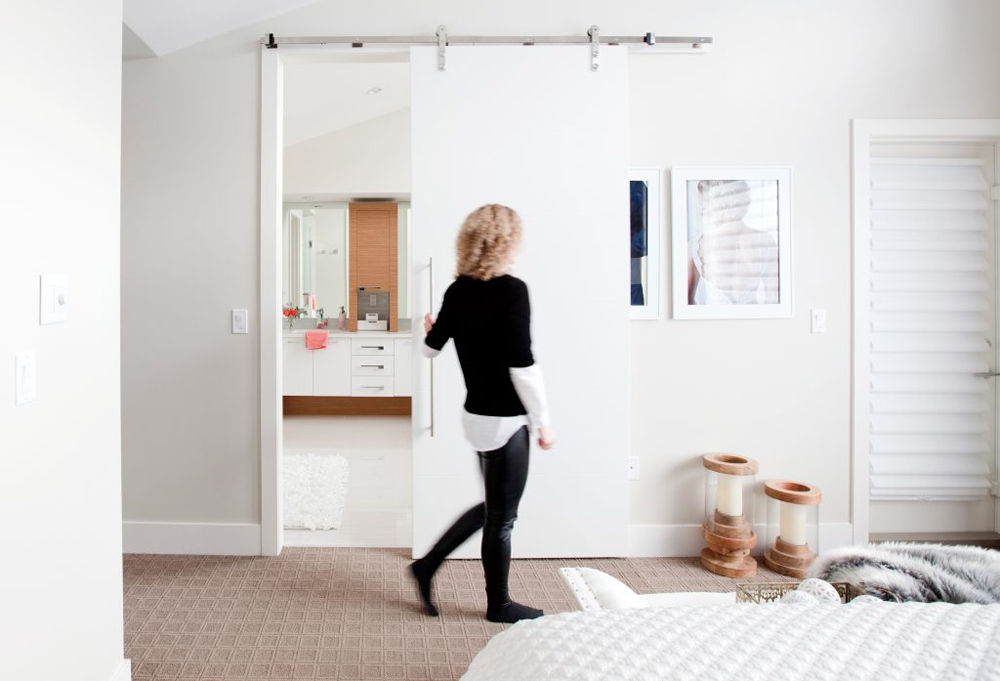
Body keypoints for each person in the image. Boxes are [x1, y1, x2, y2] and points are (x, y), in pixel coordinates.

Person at [409, 204, 556, 624]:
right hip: (506, 419)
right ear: (509, 243)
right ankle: (499, 604)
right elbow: (522, 367)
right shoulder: (512, 290)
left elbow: (430, 348)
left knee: (494, 508)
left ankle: (428, 564)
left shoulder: (459, 291)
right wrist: (543, 421)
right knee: (503, 519)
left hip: (475, 417)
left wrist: (432, 327)